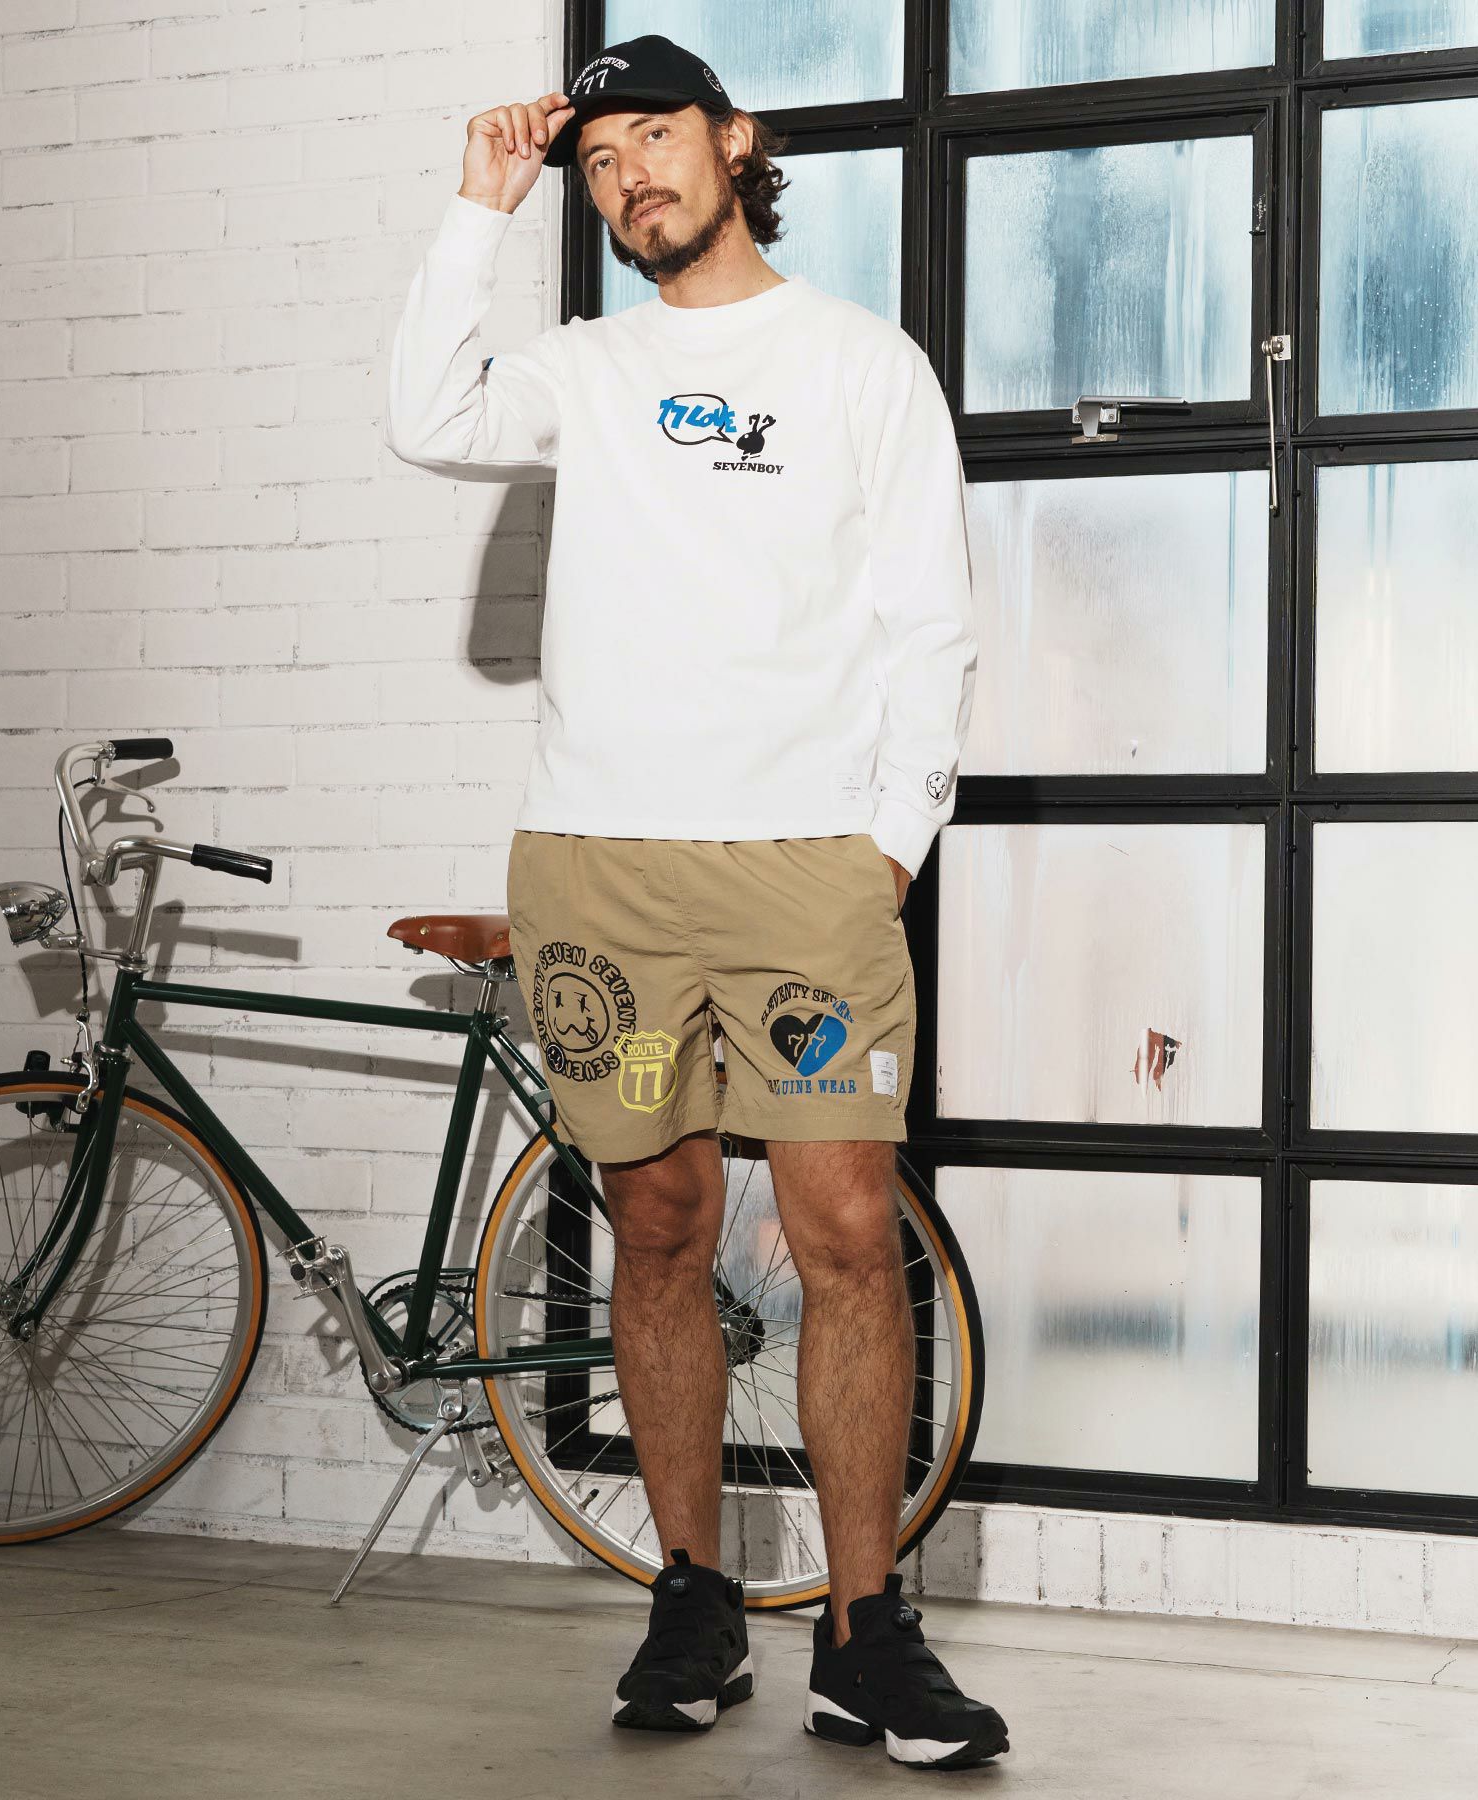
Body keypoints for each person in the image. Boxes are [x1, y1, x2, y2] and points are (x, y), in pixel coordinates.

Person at [385, 30, 1009, 1773]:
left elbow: (932, 620)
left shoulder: (861, 362)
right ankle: (692, 1597)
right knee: (654, 1230)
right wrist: (482, 202)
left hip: (808, 872)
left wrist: (889, 848)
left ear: (735, 142)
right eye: (597, 161)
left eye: (652, 136)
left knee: (844, 1236)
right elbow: (425, 417)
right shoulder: (586, 368)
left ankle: (867, 1634)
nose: (627, 175)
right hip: (604, 869)